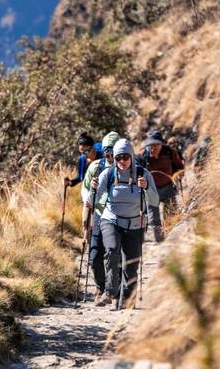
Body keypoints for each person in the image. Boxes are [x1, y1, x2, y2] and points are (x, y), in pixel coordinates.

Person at [92, 138, 159, 308]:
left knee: (131, 264)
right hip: (111, 219)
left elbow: (155, 201)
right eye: (118, 158)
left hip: (135, 223)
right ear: (114, 158)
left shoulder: (143, 174)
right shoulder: (108, 174)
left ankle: (127, 301)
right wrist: (93, 189)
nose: (122, 161)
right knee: (112, 251)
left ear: (131, 156)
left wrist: (146, 188)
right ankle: (110, 291)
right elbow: (94, 199)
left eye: (125, 157)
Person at [81, 131, 121, 304]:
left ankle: (115, 289)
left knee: (113, 253)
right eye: (105, 150)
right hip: (98, 213)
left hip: (118, 215)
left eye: (111, 150)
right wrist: (89, 198)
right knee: (95, 254)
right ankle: (100, 286)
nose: (108, 154)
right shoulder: (95, 166)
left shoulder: (127, 166)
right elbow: (84, 187)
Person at [138, 130, 184, 242]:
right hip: (151, 190)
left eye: (156, 145)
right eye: (151, 145)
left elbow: (180, 167)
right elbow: (138, 170)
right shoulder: (144, 155)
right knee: (154, 219)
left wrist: (178, 175)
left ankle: (170, 239)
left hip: (168, 187)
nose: (153, 148)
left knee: (171, 215)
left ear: (161, 144)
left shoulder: (169, 152)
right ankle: (160, 242)